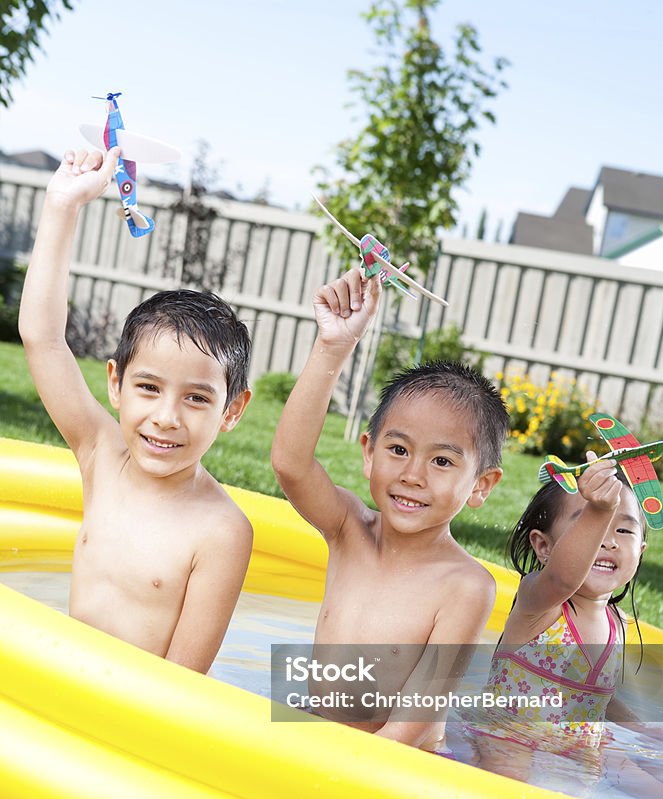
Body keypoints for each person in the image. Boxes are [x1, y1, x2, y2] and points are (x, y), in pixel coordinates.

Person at [18, 147, 252, 673]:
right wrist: (62, 207)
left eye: (196, 398)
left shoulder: (221, 531)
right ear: (116, 384)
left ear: (233, 410)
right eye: (148, 387)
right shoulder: (102, 456)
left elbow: (184, 678)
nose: (167, 417)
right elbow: (42, 338)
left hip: (130, 716)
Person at [271, 268, 508, 749]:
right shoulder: (347, 529)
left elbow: (411, 726)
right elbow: (290, 464)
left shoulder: (465, 586)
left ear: (481, 486)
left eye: (442, 460)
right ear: (368, 452)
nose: (413, 475)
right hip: (322, 740)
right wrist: (332, 347)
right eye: (398, 450)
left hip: (393, 765)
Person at [467, 454, 663, 799]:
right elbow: (563, 576)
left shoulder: (618, 625)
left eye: (623, 529)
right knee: (509, 778)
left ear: (640, 551)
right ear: (544, 547)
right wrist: (599, 508)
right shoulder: (540, 602)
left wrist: (652, 731)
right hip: (508, 735)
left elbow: (600, 696)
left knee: (662, 793)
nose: (608, 540)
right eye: (590, 524)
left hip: (581, 749)